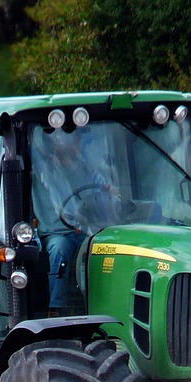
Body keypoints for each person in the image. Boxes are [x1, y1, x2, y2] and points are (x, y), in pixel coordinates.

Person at [30, 127, 121, 315]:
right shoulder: (41, 172)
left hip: (84, 230)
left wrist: (111, 192)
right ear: (56, 143)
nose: (79, 143)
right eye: (75, 138)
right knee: (59, 250)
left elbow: (103, 187)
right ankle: (56, 308)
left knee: (103, 248)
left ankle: (104, 302)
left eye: (79, 138)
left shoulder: (85, 169)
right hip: (55, 232)